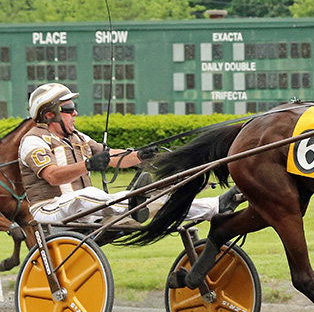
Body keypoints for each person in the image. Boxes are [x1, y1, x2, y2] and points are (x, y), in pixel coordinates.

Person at [19, 83, 241, 225]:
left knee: (158, 199)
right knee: (89, 196)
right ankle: (134, 203)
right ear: (49, 114)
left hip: (84, 211)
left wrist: (140, 155)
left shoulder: (79, 138)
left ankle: (214, 207)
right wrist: (88, 165)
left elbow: (112, 157)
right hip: (48, 209)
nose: (75, 112)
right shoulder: (33, 140)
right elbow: (52, 175)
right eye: (68, 109)